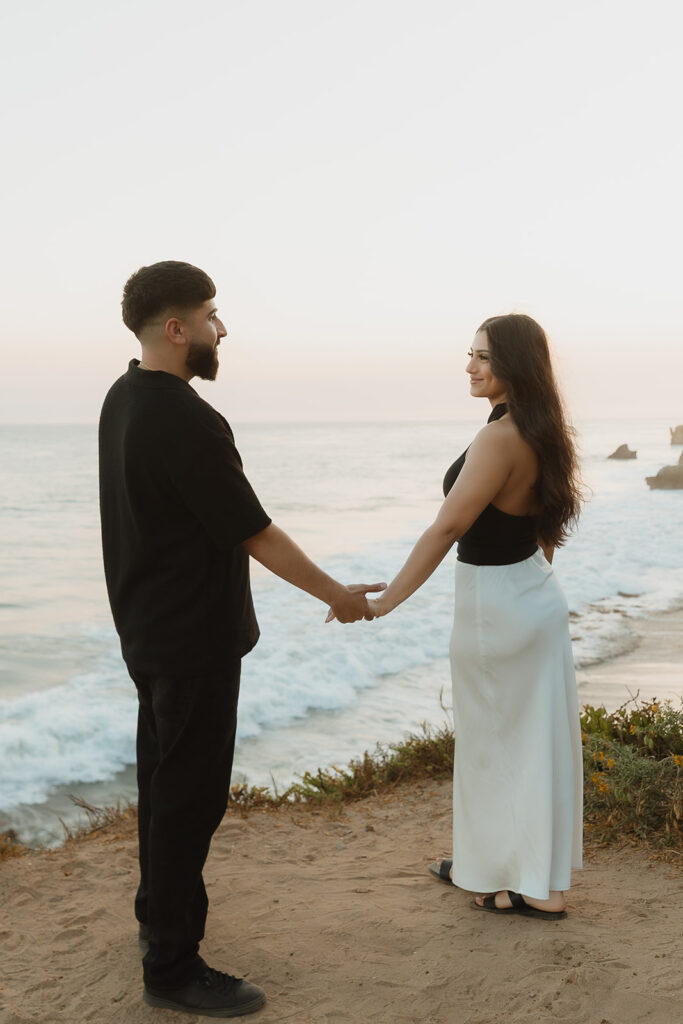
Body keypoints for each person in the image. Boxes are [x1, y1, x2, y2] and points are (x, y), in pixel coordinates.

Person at [98, 260, 384, 1018]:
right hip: (190, 641)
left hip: (147, 633)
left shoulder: (121, 399)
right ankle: (171, 965)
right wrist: (337, 596)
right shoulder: (187, 418)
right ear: (176, 327)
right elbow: (255, 532)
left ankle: (155, 918)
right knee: (188, 799)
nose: (222, 329)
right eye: (213, 315)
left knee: (162, 788)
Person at [364, 313, 583, 919]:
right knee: (534, 743)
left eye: (483, 356)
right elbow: (543, 531)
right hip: (532, 592)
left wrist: (384, 604)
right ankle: (538, 883)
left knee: (494, 745)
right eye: (471, 354)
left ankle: (507, 880)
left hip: (496, 603)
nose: (470, 365)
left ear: (513, 364)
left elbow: (450, 526)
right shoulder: (542, 431)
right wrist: (529, 585)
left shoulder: (500, 437)